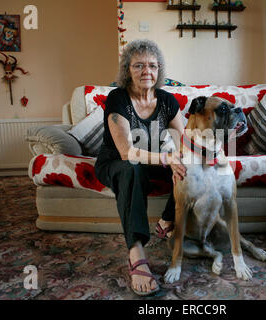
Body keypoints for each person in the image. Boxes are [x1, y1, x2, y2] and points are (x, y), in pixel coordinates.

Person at [94, 39, 186, 296]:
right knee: (131, 168)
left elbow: (183, 142)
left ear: (159, 71)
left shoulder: (167, 101)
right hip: (116, 163)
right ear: (127, 70)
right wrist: (167, 159)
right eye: (139, 66)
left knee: (187, 167)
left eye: (153, 66)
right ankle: (136, 253)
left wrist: (181, 157)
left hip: (151, 161)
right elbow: (126, 152)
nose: (147, 71)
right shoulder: (118, 98)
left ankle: (167, 219)